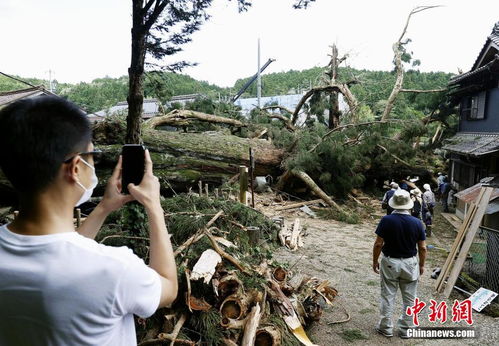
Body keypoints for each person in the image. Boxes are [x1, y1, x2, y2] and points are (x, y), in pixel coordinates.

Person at [0, 96, 178, 345]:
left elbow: (61, 256)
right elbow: (168, 287)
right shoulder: (115, 269)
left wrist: (103, 207)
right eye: (91, 156)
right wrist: (154, 206)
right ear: (75, 167)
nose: (92, 163)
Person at [372, 189, 427, 339]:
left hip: (390, 262)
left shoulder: (387, 220)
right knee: (410, 298)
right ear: (409, 205)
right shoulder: (417, 223)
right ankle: (406, 328)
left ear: (393, 204)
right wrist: (421, 265)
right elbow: (422, 247)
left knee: (388, 295)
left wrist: (374, 261)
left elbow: (378, 244)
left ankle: (386, 327)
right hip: (410, 263)